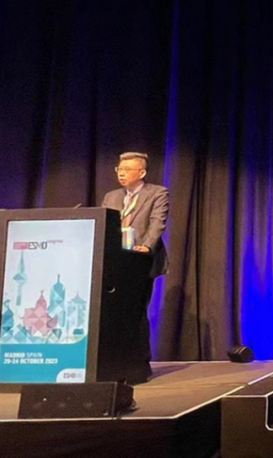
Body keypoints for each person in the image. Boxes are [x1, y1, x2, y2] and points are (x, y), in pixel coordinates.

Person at [101, 151, 169, 380]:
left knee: (137, 313)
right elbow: (105, 226)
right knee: (113, 315)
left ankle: (141, 364)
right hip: (114, 262)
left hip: (140, 261)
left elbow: (157, 223)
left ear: (141, 172)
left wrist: (147, 246)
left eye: (127, 170)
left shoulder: (157, 193)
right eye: (119, 169)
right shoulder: (111, 197)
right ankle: (115, 365)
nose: (121, 173)